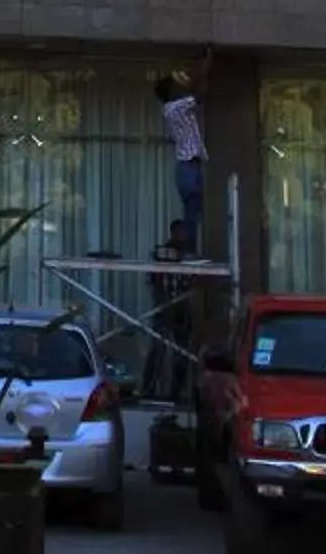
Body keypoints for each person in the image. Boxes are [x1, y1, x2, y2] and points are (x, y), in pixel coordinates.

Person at [141, 218, 200, 402]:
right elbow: (152, 281)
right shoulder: (160, 253)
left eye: (186, 233)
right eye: (180, 233)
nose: (184, 236)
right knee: (158, 350)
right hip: (163, 309)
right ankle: (147, 391)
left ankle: (177, 393)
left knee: (181, 353)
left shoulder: (190, 257)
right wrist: (164, 303)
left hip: (182, 311)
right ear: (173, 233)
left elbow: (194, 282)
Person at [155, 71, 206, 246]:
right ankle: (189, 251)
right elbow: (200, 96)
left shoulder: (172, 108)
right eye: (176, 86)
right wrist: (206, 64)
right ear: (170, 92)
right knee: (192, 213)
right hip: (188, 166)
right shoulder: (176, 106)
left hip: (188, 166)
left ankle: (188, 248)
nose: (180, 87)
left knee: (194, 212)